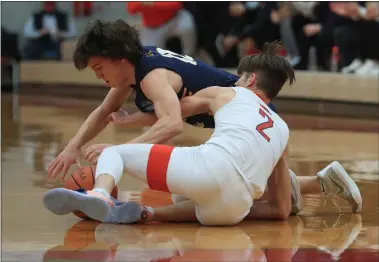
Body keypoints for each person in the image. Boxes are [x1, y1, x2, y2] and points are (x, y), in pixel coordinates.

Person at [47, 19, 361, 216]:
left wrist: (123, 149)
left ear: (118, 57)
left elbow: (170, 124)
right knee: (251, 188)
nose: (98, 75)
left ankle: (311, 187)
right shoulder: (140, 68)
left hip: (244, 120)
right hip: (262, 124)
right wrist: (73, 147)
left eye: (99, 67)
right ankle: (322, 182)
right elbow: (108, 111)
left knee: (234, 185)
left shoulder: (152, 75)